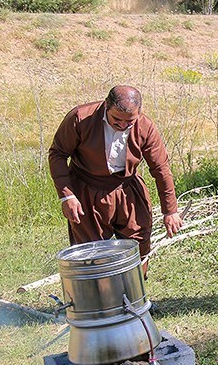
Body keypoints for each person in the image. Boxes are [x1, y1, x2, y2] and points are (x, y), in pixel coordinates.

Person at [48, 85, 183, 276]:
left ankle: (135, 301)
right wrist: (67, 196)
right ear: (106, 106)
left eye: (129, 122)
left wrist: (170, 211)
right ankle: (99, 302)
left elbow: (161, 169)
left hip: (128, 190)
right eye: (116, 120)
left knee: (139, 244)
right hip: (87, 190)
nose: (122, 126)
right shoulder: (80, 117)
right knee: (91, 252)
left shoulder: (145, 127)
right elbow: (58, 154)